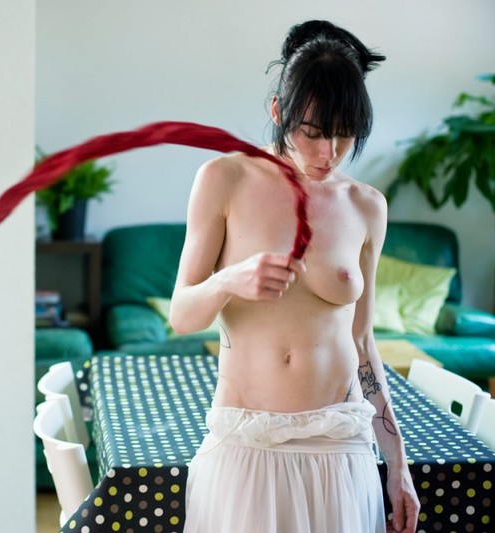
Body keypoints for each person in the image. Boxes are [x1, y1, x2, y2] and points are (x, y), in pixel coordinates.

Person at [170, 20, 420, 533]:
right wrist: (228, 280)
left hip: (340, 446)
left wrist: (398, 464)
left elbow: (363, 341)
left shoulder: (367, 206)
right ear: (277, 112)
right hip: (248, 442)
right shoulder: (224, 180)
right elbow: (182, 315)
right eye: (313, 132)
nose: (329, 152)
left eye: (345, 134)